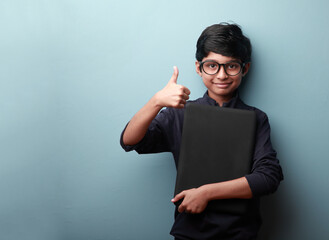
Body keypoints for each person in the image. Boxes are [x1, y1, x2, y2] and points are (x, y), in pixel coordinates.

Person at [120, 22, 283, 240]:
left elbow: (268, 177)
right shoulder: (180, 114)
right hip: (189, 233)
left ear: (245, 68)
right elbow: (130, 141)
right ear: (199, 67)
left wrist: (206, 193)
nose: (222, 75)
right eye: (212, 65)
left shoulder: (257, 118)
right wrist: (157, 101)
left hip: (241, 234)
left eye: (231, 66)